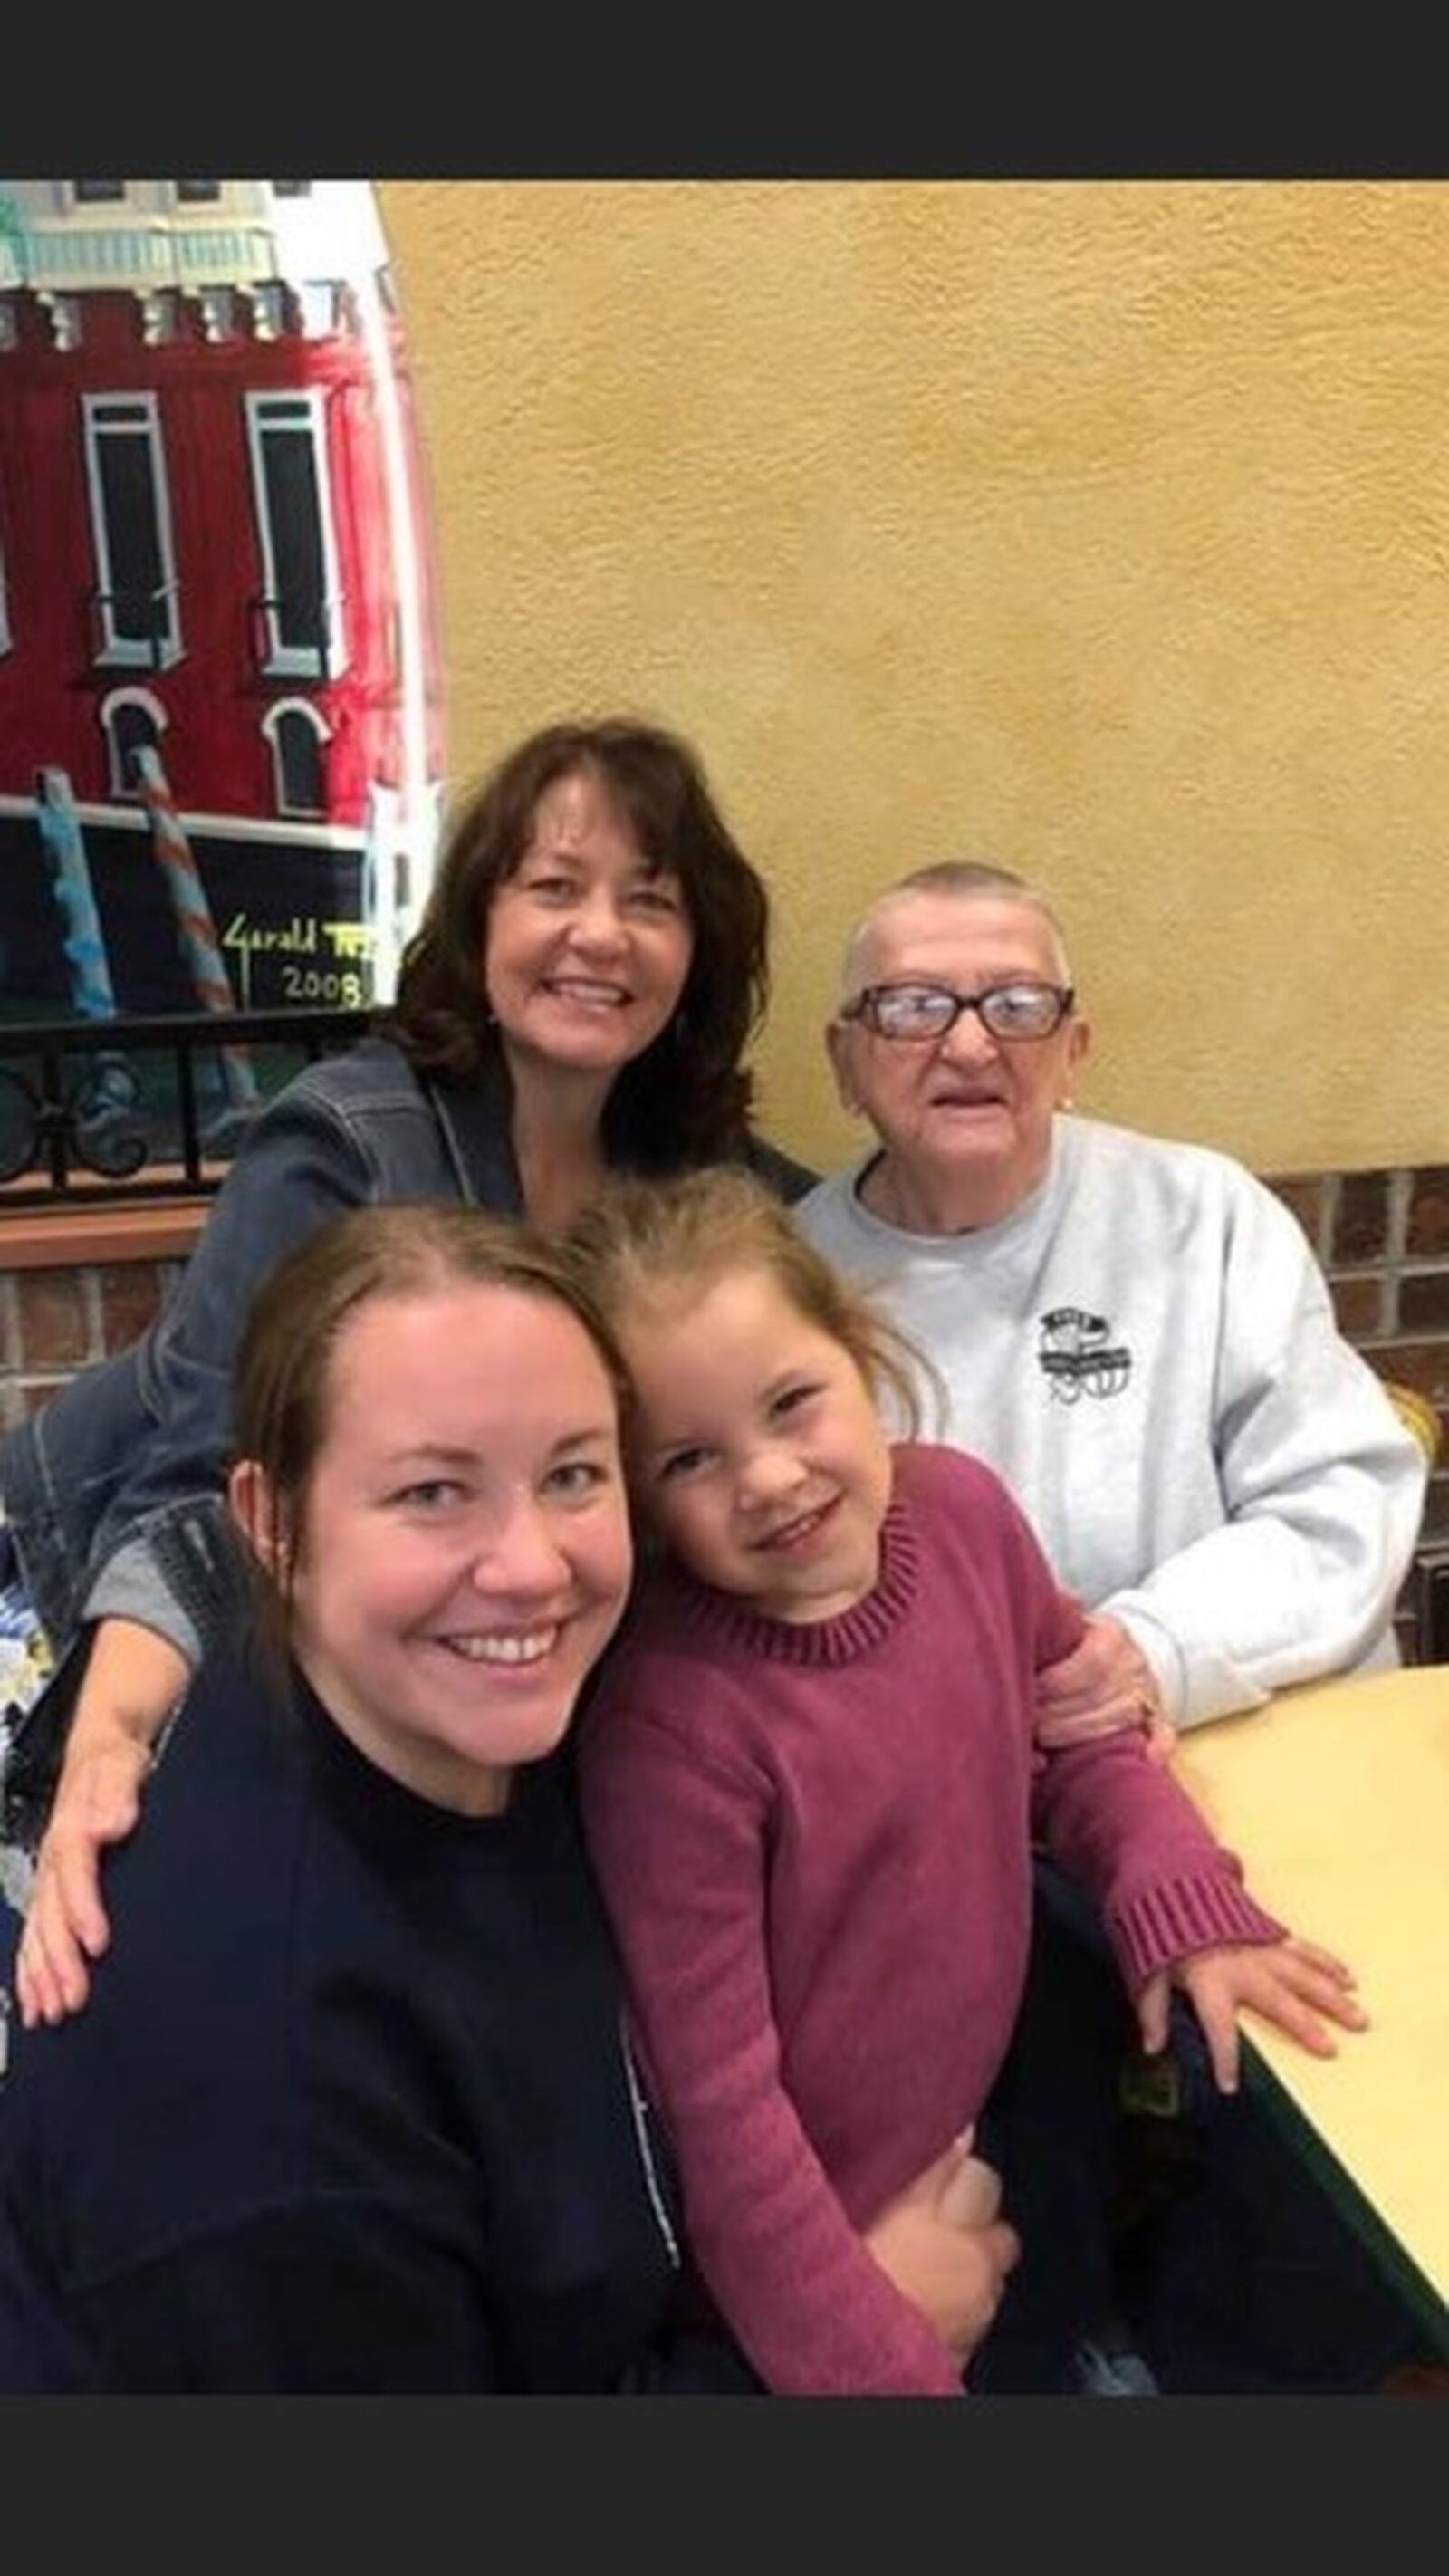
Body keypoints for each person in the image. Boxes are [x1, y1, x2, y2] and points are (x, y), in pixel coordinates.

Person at [0, 1202, 1023, 2392]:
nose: (534, 1567)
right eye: (434, 1493)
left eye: (575, 1474)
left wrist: (1081, 1683)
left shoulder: (462, 1700)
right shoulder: (266, 2121)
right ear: (274, 1526)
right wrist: (864, 2326)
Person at [0, 715, 815, 2032]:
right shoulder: (343, 1144)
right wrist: (107, 1745)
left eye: (648, 901)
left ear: (697, 952)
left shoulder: (697, 1184)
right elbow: (202, 1488)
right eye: (553, 888)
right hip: (78, 1623)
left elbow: (841, 1291)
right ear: (477, 927)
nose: (599, 934)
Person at [567, 1167, 1368, 2398]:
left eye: (792, 1403)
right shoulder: (671, 1729)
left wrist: (1173, 1883)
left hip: (982, 2126)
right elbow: (719, 2112)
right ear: (639, 1499)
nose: (770, 1478)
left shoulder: (965, 1518)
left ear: (860, 1352)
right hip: (799, 2273)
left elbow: (1079, 1727)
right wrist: (869, 2363)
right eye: (689, 1459)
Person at [793, 858, 1426, 1751]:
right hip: (941, 1773)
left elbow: (1341, 1501)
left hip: (1242, 1739)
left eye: (1016, 1006)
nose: (969, 1046)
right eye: (911, 1006)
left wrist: (1150, 1654)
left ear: (1072, 1052)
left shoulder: (1204, 1216)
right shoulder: (788, 1281)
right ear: (846, 1061)